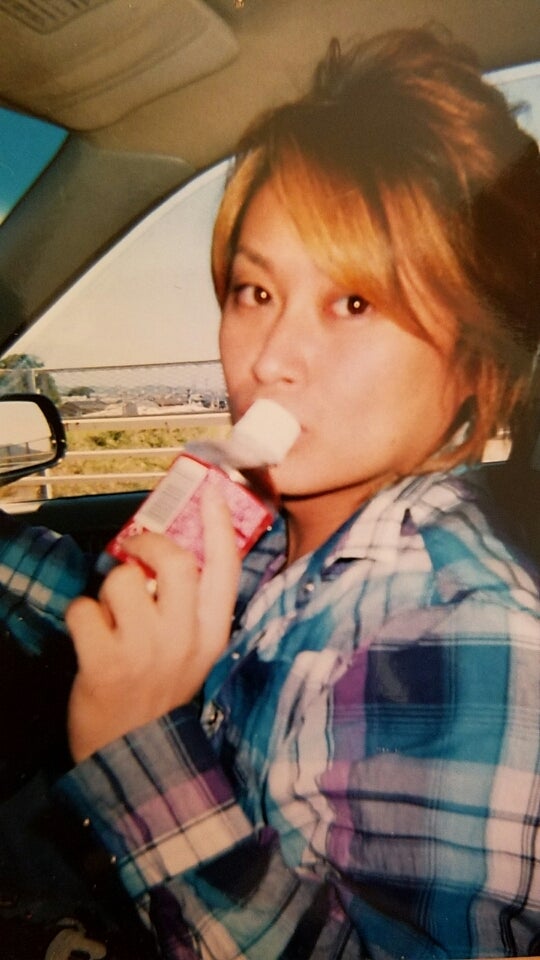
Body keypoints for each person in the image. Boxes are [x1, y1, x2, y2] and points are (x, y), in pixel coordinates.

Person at [53, 26, 540, 959]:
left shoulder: (457, 632)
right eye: (255, 291)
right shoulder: (277, 534)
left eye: (353, 302)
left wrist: (140, 746)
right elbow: (88, 592)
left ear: (477, 359)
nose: (270, 359)